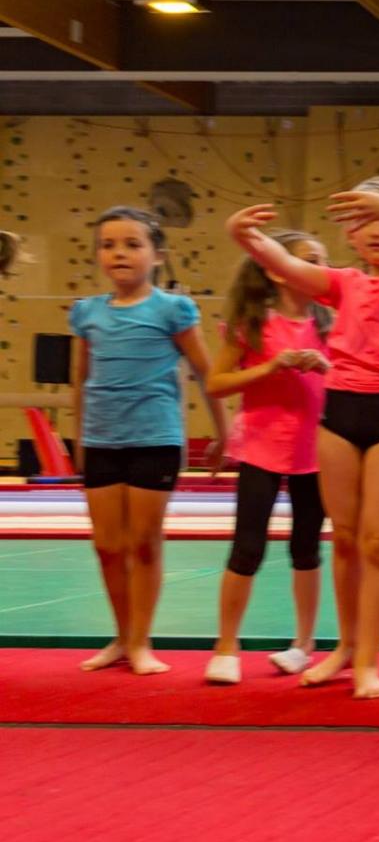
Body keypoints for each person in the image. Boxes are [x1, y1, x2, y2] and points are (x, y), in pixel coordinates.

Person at [228, 178, 379, 700]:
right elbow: (286, 265)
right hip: (341, 413)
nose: (378, 231)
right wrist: (244, 236)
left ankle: (369, 659)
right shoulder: (345, 283)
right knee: (344, 538)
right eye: (366, 222)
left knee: (378, 540)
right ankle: (345, 648)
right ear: (350, 233)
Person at [71, 206, 227, 676]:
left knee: (143, 542)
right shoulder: (86, 313)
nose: (119, 253)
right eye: (108, 245)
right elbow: (80, 380)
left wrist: (224, 432)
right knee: (106, 545)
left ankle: (140, 640)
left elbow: (206, 372)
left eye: (132, 244)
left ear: (157, 255)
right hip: (102, 439)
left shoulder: (172, 309)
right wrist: (78, 439)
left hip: (154, 439)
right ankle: (121, 637)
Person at [204, 228, 331, 684]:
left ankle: (304, 643)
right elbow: (216, 383)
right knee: (248, 546)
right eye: (309, 260)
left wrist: (326, 366)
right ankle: (226, 644)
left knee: (306, 547)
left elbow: (354, 377)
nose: (320, 270)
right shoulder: (253, 323)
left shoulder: (329, 323)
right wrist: (271, 366)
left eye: (322, 261)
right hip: (260, 447)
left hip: (315, 451)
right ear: (278, 270)